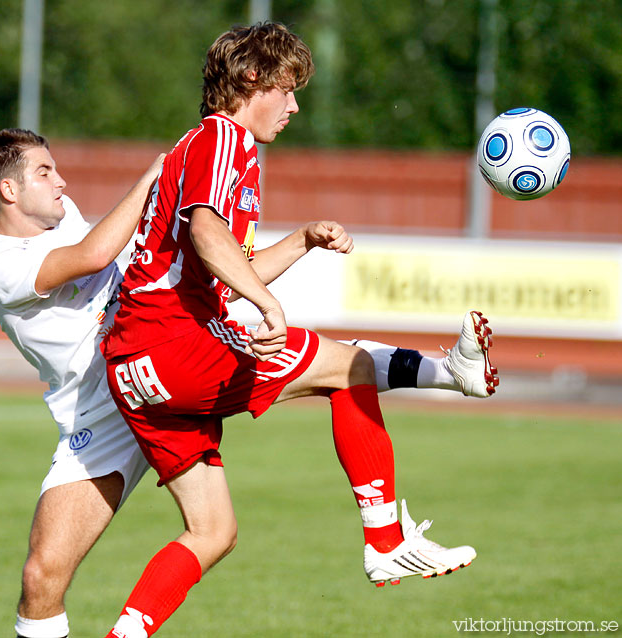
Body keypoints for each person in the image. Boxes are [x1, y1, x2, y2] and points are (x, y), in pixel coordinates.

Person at [99, 22, 498, 638]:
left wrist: (304, 239)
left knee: (212, 533)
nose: (294, 105)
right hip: (171, 341)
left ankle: (123, 634)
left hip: (133, 369)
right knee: (350, 367)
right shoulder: (222, 138)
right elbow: (207, 235)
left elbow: (225, 267)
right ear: (249, 80)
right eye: (285, 89)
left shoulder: (203, 148)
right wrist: (269, 308)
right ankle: (387, 539)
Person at [0, 128, 165, 638]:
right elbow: (94, 255)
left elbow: (64, 260)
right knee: (41, 577)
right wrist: (150, 178)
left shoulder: (59, 214)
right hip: (96, 416)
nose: (61, 181)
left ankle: (383, 529)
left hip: (156, 368)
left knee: (213, 531)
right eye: (44, 172)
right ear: (9, 192)